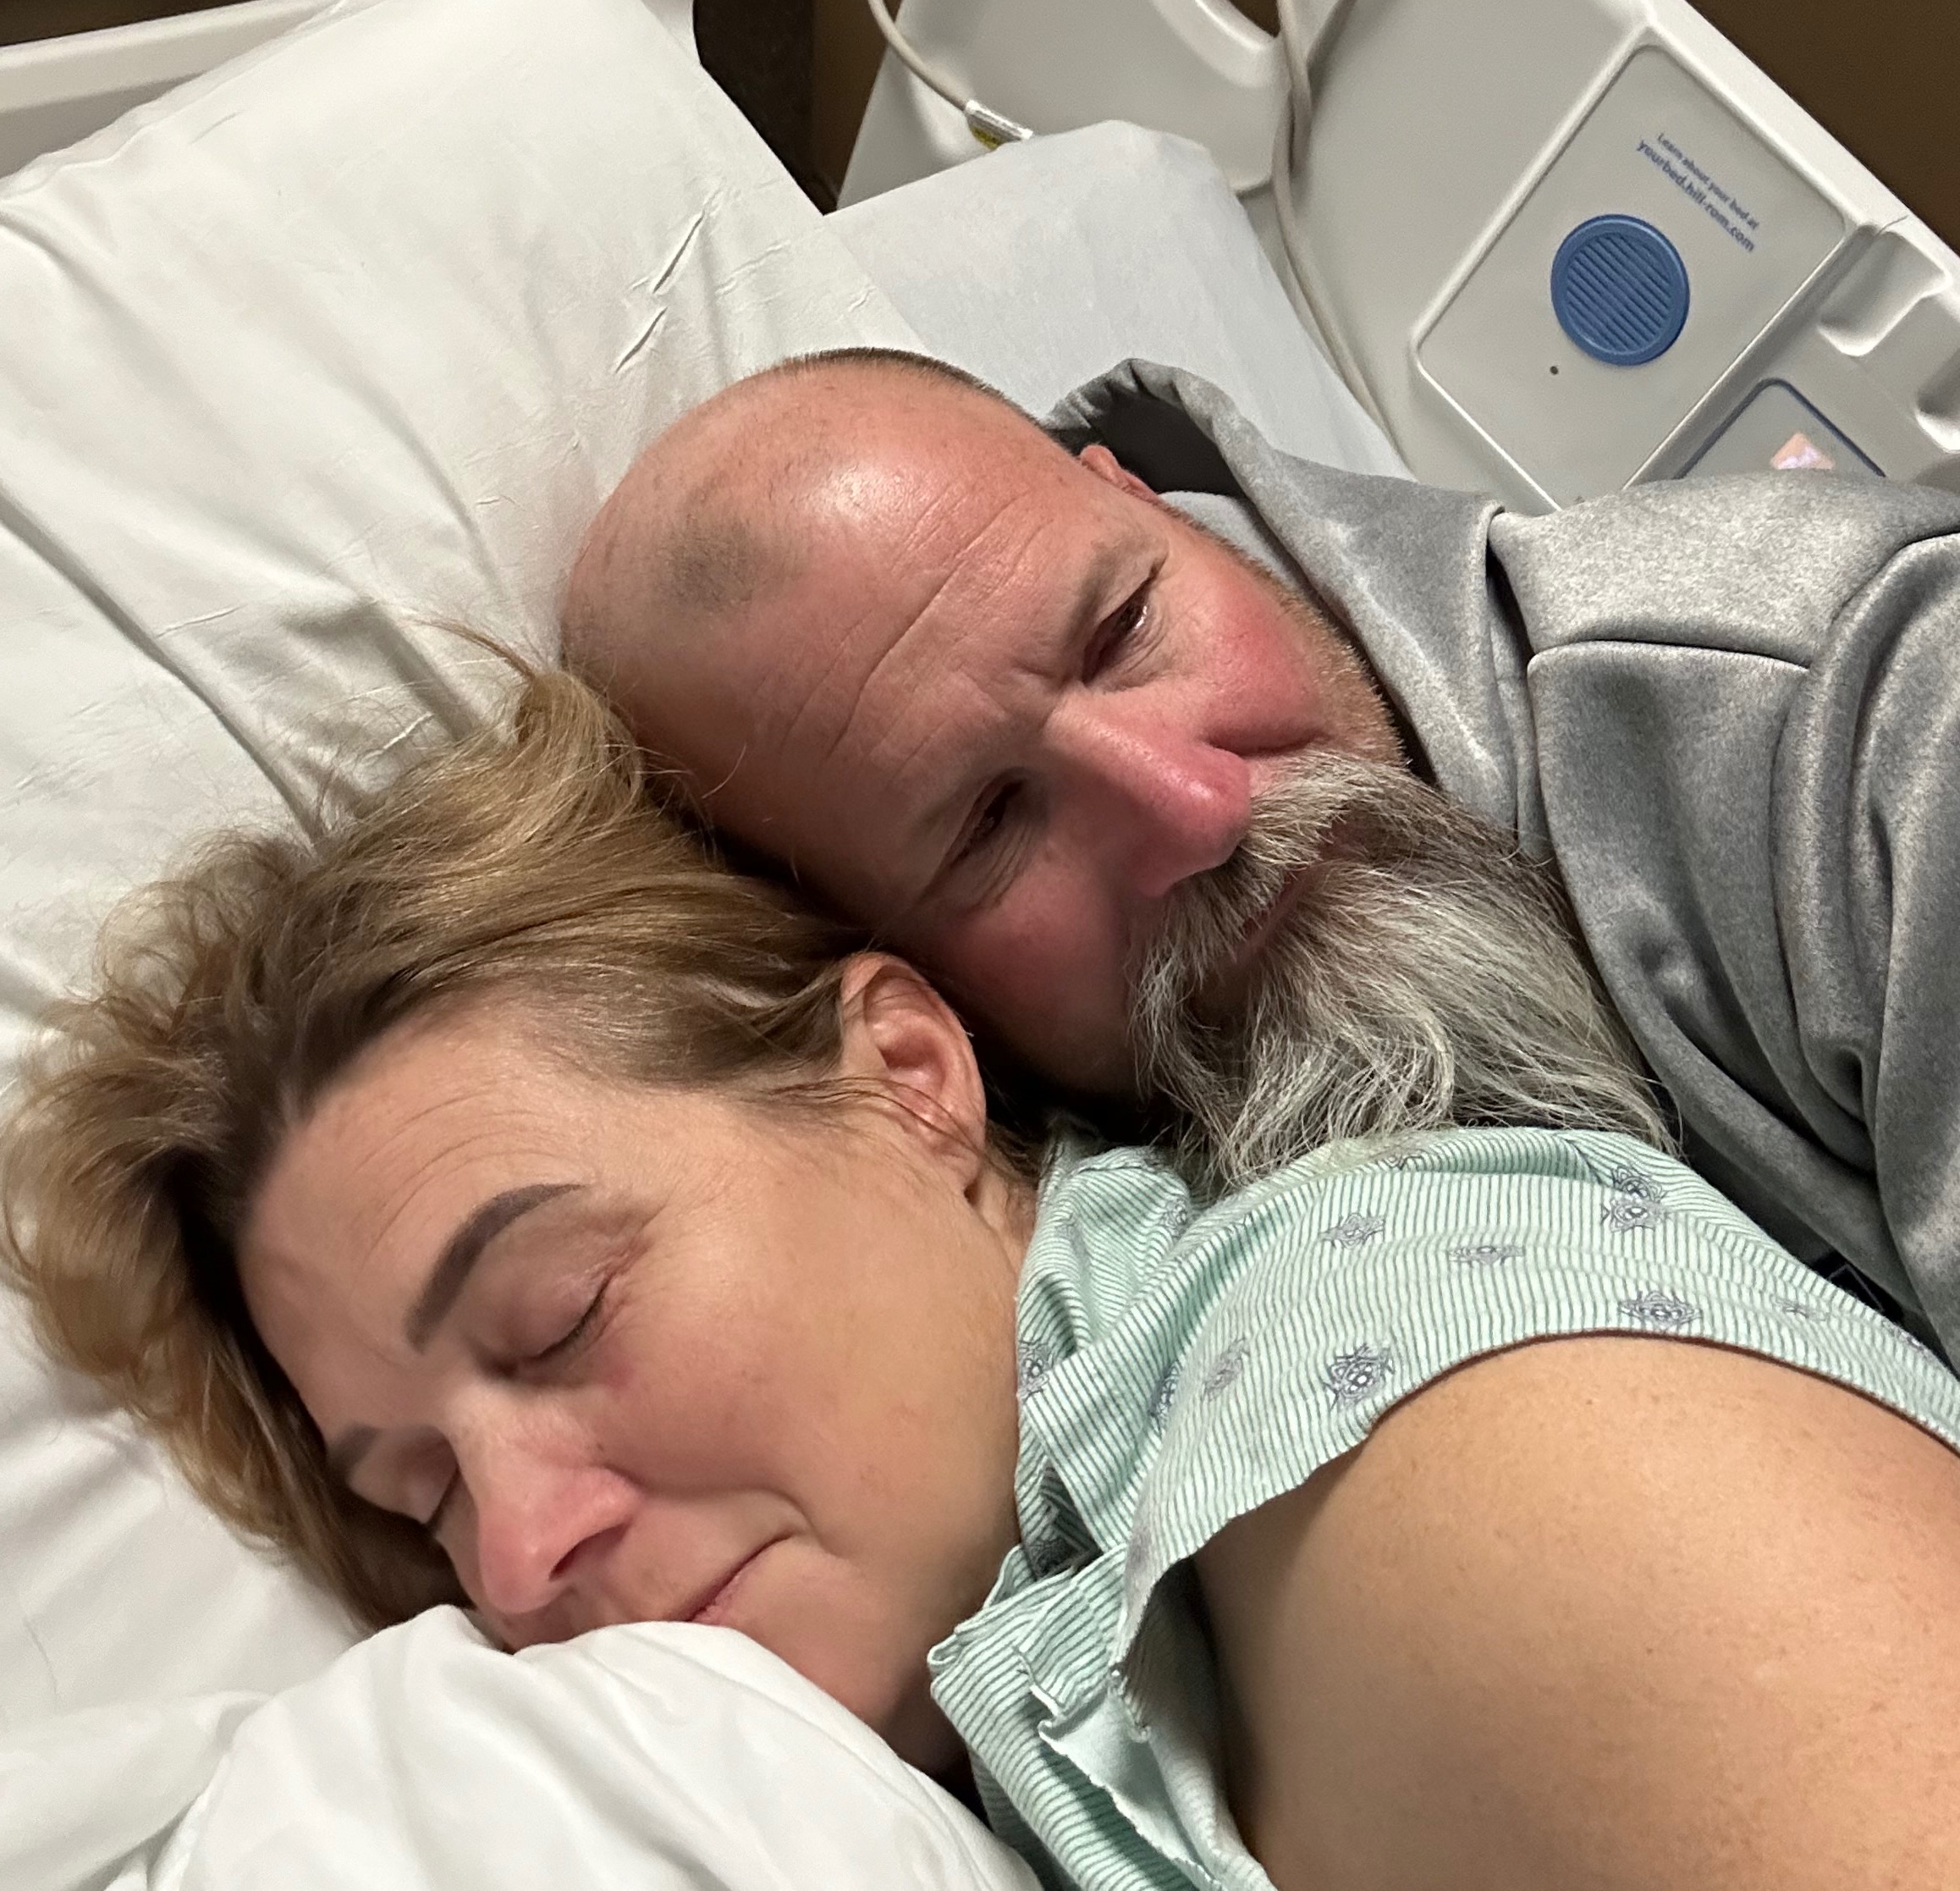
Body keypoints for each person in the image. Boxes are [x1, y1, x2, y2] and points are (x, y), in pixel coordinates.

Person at [8, 665, 1960, 1891]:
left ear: (907, 1075)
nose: (517, 1559)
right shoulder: (1026, 1664)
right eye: (420, 1491)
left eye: (559, 1316)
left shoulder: (1390, 1388)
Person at [561, 347, 1960, 1361]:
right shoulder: (1035, 1194)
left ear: (1151, 501)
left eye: (1123, 633)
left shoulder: (1869, 712)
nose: (1197, 810)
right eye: (988, 826)